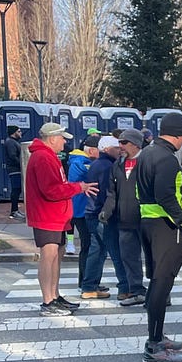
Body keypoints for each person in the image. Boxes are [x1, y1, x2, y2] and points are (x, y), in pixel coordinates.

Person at [136, 111, 182, 362]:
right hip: (167, 227)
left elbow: (140, 190)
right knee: (161, 284)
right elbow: (167, 197)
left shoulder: (146, 153)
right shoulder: (167, 159)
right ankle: (154, 346)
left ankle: (157, 336)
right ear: (179, 135)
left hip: (148, 223)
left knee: (157, 282)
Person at [24, 122, 97, 316]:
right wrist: (77, 187)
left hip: (56, 215)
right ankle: (48, 301)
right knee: (48, 256)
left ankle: (54, 296)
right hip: (47, 214)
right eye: (62, 138)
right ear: (52, 138)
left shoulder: (48, 157)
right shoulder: (43, 158)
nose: (65, 142)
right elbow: (51, 190)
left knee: (57, 254)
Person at [100, 129, 147, 305]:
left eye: (124, 143)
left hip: (147, 219)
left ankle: (161, 293)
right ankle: (136, 290)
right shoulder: (117, 165)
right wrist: (106, 211)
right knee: (129, 257)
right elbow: (112, 193)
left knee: (153, 258)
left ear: (135, 144)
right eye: (119, 143)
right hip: (125, 220)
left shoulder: (147, 161)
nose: (120, 146)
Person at [81, 136, 127, 299]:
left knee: (98, 250)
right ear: (107, 149)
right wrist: (110, 212)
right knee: (115, 251)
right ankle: (125, 287)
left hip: (93, 212)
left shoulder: (97, 164)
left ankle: (89, 286)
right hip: (102, 214)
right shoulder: (107, 166)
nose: (120, 149)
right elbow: (108, 193)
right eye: (116, 147)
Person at [67, 135, 98, 289]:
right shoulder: (83, 164)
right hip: (82, 210)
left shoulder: (78, 161)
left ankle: (85, 280)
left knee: (88, 245)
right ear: (92, 150)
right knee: (89, 246)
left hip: (80, 209)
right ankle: (86, 281)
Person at [4, 125, 23, 219]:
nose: (20, 133)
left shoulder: (13, 142)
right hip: (14, 170)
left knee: (17, 190)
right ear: (14, 132)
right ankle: (14, 211)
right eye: (19, 131)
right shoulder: (11, 142)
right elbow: (12, 156)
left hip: (16, 169)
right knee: (16, 190)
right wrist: (21, 164)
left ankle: (15, 210)